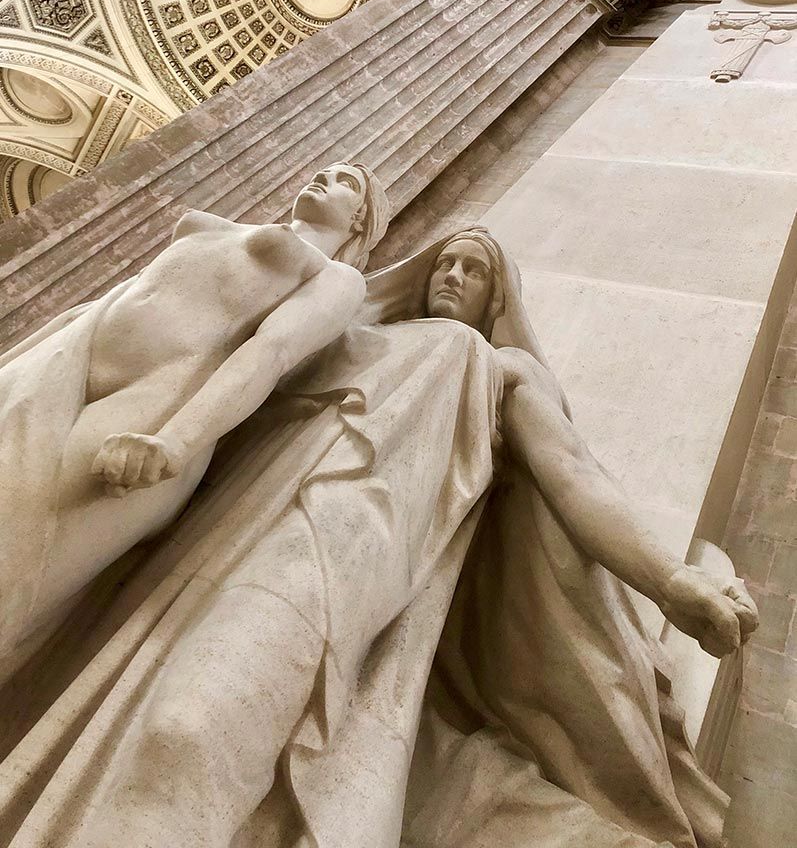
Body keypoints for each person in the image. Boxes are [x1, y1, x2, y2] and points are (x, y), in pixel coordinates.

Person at [5, 231, 757, 848]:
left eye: (475, 270)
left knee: (190, 730)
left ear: (499, 297)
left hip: (346, 555)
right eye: (445, 262)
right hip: (229, 537)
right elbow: (229, 360)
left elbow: (569, 477)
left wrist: (668, 580)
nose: (453, 276)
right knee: (142, 729)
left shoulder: (500, 367)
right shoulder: (348, 339)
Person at [0, 162, 389, 674]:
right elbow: (98, 303)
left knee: (15, 559)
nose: (323, 178)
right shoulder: (214, 229)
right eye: (323, 169)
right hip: (61, 364)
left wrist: (176, 442)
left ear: (360, 219)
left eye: (347, 182)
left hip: (153, 406)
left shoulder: (337, 277)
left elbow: (271, 352)